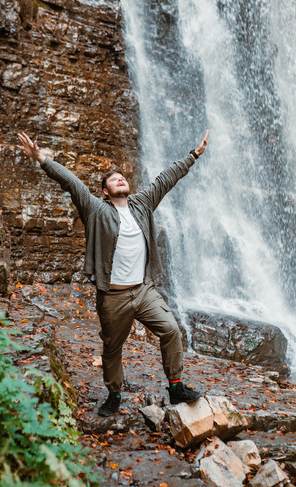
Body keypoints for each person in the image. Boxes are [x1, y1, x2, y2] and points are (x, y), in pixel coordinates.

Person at [17, 130, 209, 417]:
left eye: (123, 177)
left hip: (143, 291)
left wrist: (193, 156)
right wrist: (41, 157)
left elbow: (165, 179)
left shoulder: (142, 204)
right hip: (114, 296)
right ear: (105, 191)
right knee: (112, 349)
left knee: (170, 330)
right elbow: (70, 181)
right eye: (113, 179)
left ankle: (176, 386)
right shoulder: (95, 209)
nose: (120, 179)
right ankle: (115, 394)